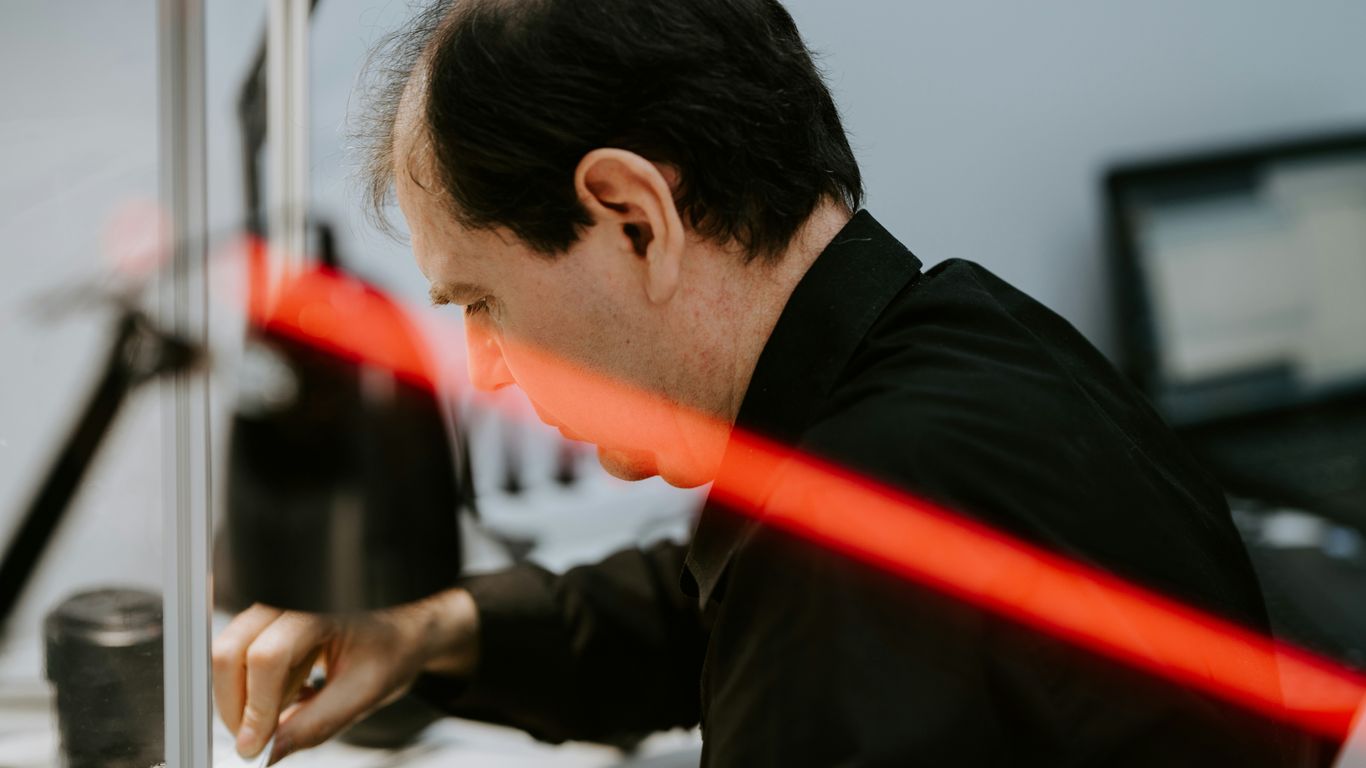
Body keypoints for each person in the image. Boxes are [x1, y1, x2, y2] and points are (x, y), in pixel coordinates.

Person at [212, 1, 1322, 765]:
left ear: (633, 218)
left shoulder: (848, 542)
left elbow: (799, 612)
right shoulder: (961, 337)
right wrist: (434, 632)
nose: (482, 368)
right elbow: (705, 605)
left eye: (481, 302)